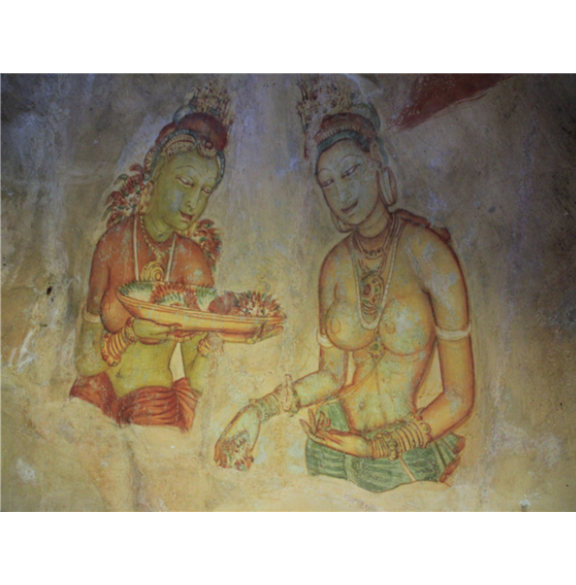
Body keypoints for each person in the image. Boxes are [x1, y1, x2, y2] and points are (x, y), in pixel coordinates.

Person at [215, 84, 475, 493]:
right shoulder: (334, 267)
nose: (341, 193)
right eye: (328, 182)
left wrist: (379, 446)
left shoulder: (429, 255)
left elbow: (459, 396)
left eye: (351, 172)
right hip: (333, 436)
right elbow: (331, 375)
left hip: (400, 450)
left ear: (377, 163)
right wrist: (258, 411)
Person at [68, 86, 233, 510]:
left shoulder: (194, 263)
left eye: (205, 190)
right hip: (96, 391)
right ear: (157, 172)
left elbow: (197, 378)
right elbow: (85, 361)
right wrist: (128, 335)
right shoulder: (112, 244)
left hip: (153, 399)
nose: (194, 202)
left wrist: (211, 338)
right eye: (186, 182)